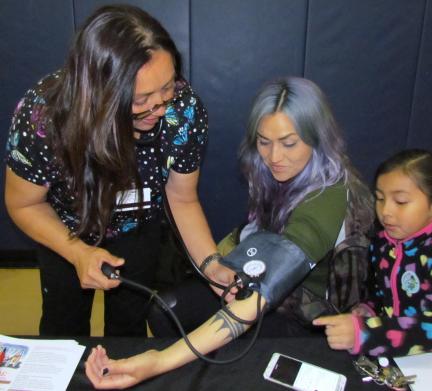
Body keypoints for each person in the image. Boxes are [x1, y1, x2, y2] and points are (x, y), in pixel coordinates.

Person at [85, 76, 374, 388]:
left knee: (231, 352)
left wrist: (160, 360)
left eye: (289, 143)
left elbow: (260, 296)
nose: (275, 157)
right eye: (264, 142)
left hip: (309, 315)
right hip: (267, 285)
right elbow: (256, 235)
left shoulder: (329, 197)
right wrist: (222, 265)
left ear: (317, 137)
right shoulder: (274, 172)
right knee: (166, 310)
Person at [4, 4, 233, 337]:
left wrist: (211, 265)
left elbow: (182, 200)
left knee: (129, 324)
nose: (160, 107)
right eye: (141, 100)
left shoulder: (183, 110)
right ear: (99, 94)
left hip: (138, 226)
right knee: (63, 325)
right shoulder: (43, 117)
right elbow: (23, 203)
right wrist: (77, 252)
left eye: (168, 87)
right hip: (65, 228)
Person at [315, 149, 432, 356]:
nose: (386, 211)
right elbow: (380, 293)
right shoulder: (383, 243)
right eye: (380, 198)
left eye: (400, 201)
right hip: (400, 350)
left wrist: (365, 333)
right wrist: (369, 309)